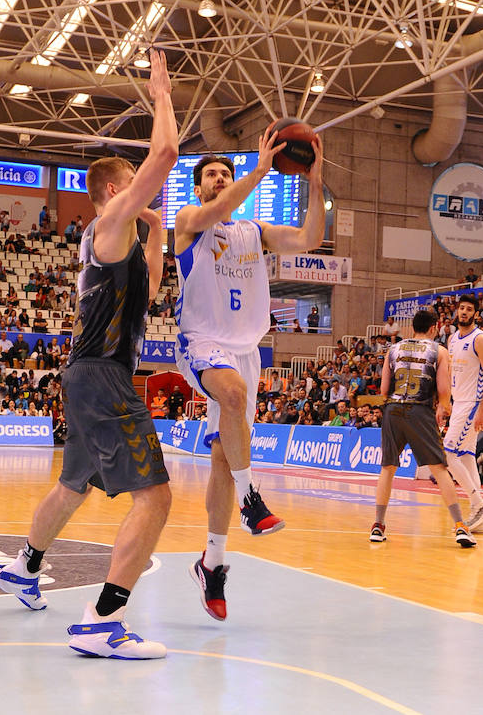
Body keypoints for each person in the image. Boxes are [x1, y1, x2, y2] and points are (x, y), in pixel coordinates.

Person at [0, 48, 177, 659]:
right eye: (133, 184)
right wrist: (161, 96)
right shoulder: (106, 224)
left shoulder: (112, 243)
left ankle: (25, 566)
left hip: (89, 375)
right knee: (156, 496)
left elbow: (152, 276)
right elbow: (168, 154)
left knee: (74, 484)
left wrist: (156, 226)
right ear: (115, 190)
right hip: (102, 377)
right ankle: (103, 621)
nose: (143, 190)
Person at [174, 125, 324, 622]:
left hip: (247, 350)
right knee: (232, 396)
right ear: (199, 187)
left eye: (224, 173)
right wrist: (260, 168)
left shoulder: (254, 232)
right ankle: (252, 498)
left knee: (223, 454)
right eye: (211, 175)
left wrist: (315, 182)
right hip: (202, 342)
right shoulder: (190, 220)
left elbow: (309, 239)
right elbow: (216, 211)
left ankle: (211, 564)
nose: (218, 179)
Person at [370, 308, 476, 548]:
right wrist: (444, 408)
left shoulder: (393, 350)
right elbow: (443, 390)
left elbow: (384, 389)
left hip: (393, 410)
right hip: (419, 410)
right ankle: (460, 526)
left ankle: (378, 525)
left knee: (387, 468)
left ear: (413, 328)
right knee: (439, 468)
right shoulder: (439, 351)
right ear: (433, 328)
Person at [445, 294, 483, 532]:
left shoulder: (480, 339)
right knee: (465, 455)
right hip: (458, 402)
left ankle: (478, 502)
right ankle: (481, 519)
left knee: (447, 454)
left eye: (469, 309)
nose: (464, 312)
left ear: (476, 314)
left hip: (472, 403)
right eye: (461, 308)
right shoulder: (452, 338)